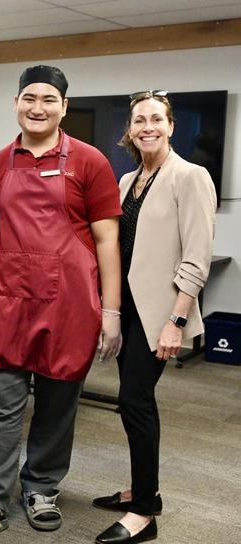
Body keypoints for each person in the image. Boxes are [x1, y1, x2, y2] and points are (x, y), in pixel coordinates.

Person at [0, 65, 122, 544]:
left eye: (48, 99)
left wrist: (112, 311)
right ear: (16, 103)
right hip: (7, 300)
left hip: (70, 301)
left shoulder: (89, 163)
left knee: (57, 402)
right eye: (29, 98)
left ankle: (42, 486)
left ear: (64, 107)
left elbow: (107, 239)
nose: (37, 107)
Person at [92, 91, 216, 544]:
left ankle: (144, 512)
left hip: (159, 314)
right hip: (127, 309)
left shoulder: (191, 176)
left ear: (171, 126)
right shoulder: (128, 181)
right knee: (133, 403)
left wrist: (176, 322)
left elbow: (196, 259)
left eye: (156, 119)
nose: (147, 127)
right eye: (139, 120)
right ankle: (143, 491)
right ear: (130, 128)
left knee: (136, 403)